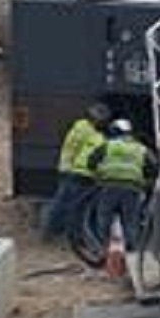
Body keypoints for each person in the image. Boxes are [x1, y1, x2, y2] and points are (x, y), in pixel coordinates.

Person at [88, 118, 155, 254]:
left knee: (104, 218)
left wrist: (98, 174)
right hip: (132, 188)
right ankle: (132, 251)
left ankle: (103, 248)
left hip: (109, 186)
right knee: (130, 221)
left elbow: (91, 162)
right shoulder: (140, 148)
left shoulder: (108, 145)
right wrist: (145, 179)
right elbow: (153, 165)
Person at [45, 101, 109, 241]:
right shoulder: (89, 132)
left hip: (69, 169)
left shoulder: (81, 127)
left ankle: (52, 231)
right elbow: (81, 151)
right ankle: (69, 235)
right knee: (74, 206)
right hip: (76, 172)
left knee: (62, 203)